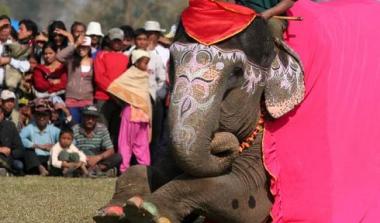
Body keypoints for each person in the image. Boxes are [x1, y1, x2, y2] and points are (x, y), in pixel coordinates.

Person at [108, 49, 152, 173]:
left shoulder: (144, 75)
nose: (146, 65)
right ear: (136, 62)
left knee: (141, 144)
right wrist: (124, 101)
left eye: (147, 63)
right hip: (131, 113)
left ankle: (145, 169)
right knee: (126, 143)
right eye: (144, 62)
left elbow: (144, 98)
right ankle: (124, 169)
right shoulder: (130, 74)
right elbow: (113, 87)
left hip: (142, 115)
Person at [94, 28, 129, 151]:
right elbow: (99, 77)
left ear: (123, 41)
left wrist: (120, 95)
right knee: (102, 131)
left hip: (120, 100)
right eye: (114, 40)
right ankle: (100, 160)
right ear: (109, 40)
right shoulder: (101, 55)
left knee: (117, 131)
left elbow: (127, 78)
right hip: (104, 98)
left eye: (119, 40)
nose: (116, 43)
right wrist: (115, 92)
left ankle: (113, 162)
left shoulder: (126, 58)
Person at [135, 27, 167, 155]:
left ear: (148, 41)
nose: (142, 42)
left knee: (152, 132)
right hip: (133, 101)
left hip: (152, 101)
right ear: (134, 41)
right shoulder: (128, 56)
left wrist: (156, 95)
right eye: (139, 39)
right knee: (135, 132)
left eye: (144, 39)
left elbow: (162, 78)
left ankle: (151, 161)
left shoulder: (155, 57)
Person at [72, 105, 122, 176]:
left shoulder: (102, 129)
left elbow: (111, 150)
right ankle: (89, 171)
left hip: (97, 158)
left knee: (118, 157)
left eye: (93, 118)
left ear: (97, 118)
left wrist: (97, 158)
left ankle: (97, 169)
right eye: (88, 117)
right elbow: (69, 149)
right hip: (80, 158)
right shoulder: (75, 129)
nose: (90, 120)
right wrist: (83, 158)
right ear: (83, 117)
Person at [57, 36, 94, 124]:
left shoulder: (94, 62)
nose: (81, 49)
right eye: (79, 47)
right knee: (73, 126)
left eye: (84, 47)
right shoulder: (71, 61)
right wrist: (75, 44)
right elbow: (59, 56)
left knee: (85, 127)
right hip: (71, 100)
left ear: (89, 48)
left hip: (87, 100)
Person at [20, 99, 60, 175]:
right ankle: (40, 168)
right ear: (35, 116)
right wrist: (38, 146)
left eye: (44, 115)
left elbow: (68, 140)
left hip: (50, 158)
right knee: (27, 151)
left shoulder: (54, 129)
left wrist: (54, 146)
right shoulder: (30, 127)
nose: (41, 118)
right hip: (35, 158)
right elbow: (20, 138)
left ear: (49, 116)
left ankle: (49, 170)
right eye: (39, 115)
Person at [0, 15, 30, 90]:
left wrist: (9, 60)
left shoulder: (17, 46)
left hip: (9, 89)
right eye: (1, 27)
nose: (3, 29)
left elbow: (25, 66)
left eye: (6, 27)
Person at [0, 107, 25, 176]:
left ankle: (6, 170)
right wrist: (1, 150)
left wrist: (10, 151)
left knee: (19, 165)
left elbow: (20, 150)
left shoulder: (10, 126)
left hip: (8, 158)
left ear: (2, 115)